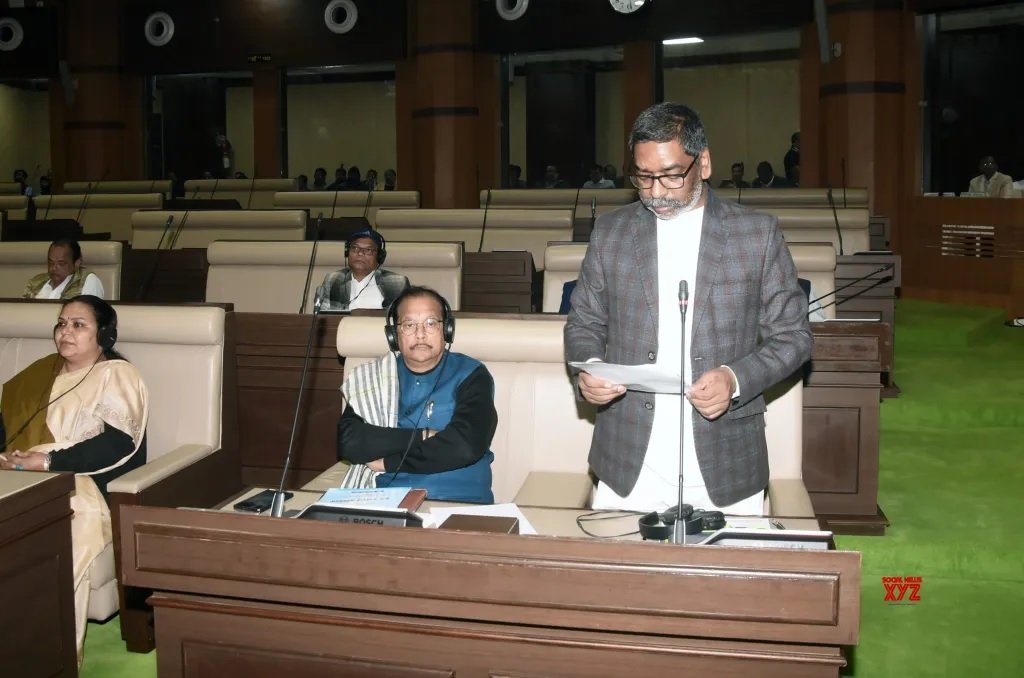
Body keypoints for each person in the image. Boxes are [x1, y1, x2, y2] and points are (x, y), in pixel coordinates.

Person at [565, 102, 812, 516]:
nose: (656, 191)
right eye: (644, 177)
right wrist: (589, 368)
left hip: (726, 456)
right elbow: (584, 322)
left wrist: (734, 379)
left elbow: (794, 337)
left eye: (671, 175)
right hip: (628, 455)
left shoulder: (757, 234)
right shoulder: (611, 231)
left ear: (705, 163)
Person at [0, 295, 149, 663]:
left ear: (105, 335)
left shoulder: (117, 374)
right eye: (62, 323)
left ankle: (43, 656)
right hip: (17, 476)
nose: (65, 331)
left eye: (78, 325)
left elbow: (118, 443)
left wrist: (48, 460)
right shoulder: (39, 374)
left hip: (77, 485)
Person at [337, 286, 497, 502]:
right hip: (388, 498)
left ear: (446, 329)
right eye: (409, 325)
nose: (420, 334)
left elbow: (464, 446)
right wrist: (424, 435)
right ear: (394, 334)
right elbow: (351, 442)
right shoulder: (372, 377)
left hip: (459, 498)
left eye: (430, 323)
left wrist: (389, 462)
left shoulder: (471, 374)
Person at [320, 228, 410, 311]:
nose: (360, 253)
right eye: (355, 248)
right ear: (347, 252)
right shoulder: (333, 280)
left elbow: (406, 317)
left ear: (379, 256)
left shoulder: (398, 283)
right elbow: (323, 318)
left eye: (368, 250)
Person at [23, 239, 105, 300]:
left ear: (77, 263)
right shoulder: (36, 282)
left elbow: (91, 315)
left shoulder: (88, 281)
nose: (54, 268)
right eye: (51, 262)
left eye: (61, 263)